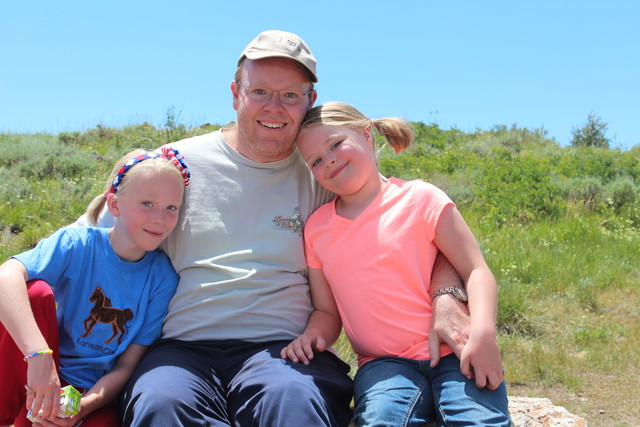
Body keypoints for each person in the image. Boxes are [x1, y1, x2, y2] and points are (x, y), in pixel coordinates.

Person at [75, 30, 471, 427]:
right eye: (260, 91)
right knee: (161, 404)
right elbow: (88, 242)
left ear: (309, 101)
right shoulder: (175, 165)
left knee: (294, 403)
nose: (274, 107)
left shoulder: (323, 171)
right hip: (182, 348)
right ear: (235, 93)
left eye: (290, 95)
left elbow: (415, 230)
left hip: (285, 350)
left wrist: (446, 295)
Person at [282, 102, 510, 426]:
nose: (329, 160)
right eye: (316, 160)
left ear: (367, 135)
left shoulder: (421, 198)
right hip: (383, 365)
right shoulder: (317, 230)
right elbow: (327, 312)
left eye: (335, 144)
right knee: (380, 421)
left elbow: (476, 270)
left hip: (456, 350)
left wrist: (484, 335)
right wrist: (313, 336)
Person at [0, 147, 190, 427]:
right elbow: (6, 275)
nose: (160, 219)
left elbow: (127, 364)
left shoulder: (163, 278)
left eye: (171, 207)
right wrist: (40, 358)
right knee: (34, 292)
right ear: (114, 205)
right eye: (147, 203)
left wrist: (84, 406)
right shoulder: (78, 244)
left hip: (93, 394)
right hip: (41, 369)